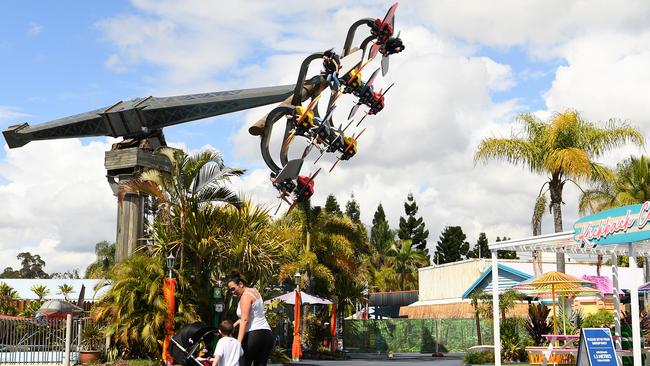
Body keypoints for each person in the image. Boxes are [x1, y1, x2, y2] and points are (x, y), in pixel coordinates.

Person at [228, 272, 274, 366]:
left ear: (241, 284)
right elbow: (250, 316)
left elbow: (245, 320)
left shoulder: (245, 296)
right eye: (230, 290)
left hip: (254, 335)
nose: (232, 292)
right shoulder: (254, 291)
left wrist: (238, 343)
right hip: (267, 334)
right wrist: (231, 327)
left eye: (233, 289)